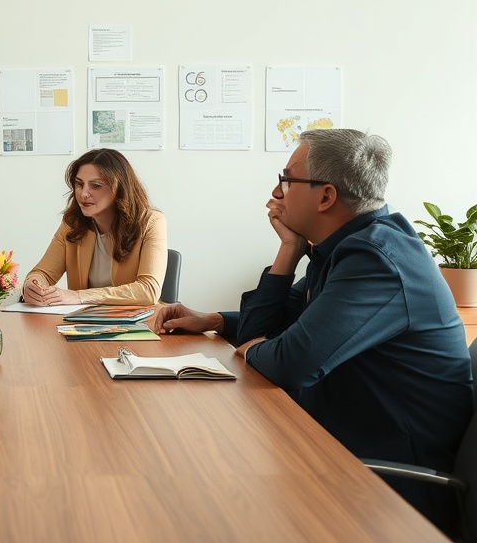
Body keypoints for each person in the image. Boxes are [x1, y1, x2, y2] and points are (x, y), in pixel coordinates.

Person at [151, 128, 473, 532]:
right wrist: (221, 316)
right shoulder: (341, 248)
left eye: (287, 178)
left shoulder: (375, 259)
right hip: (337, 445)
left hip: (388, 487)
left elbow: (289, 361)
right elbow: (278, 329)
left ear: (326, 196)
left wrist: (251, 348)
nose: (276, 190)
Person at [22, 148, 167, 306]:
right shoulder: (72, 223)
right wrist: (33, 285)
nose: (84, 193)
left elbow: (148, 290)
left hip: (135, 324)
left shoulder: (151, 221)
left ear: (119, 188)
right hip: (81, 324)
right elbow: (43, 273)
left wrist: (79, 296)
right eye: (79, 184)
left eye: (95, 186)